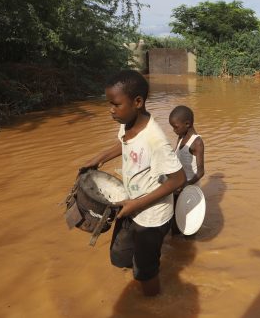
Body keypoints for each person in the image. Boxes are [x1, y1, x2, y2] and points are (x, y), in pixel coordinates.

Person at [81, 70, 186, 296]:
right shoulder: (127, 122)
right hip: (130, 204)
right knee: (119, 257)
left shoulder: (155, 139)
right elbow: (124, 143)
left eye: (115, 104)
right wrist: (98, 159)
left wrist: (136, 205)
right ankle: (140, 266)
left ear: (137, 102)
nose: (111, 110)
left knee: (145, 272)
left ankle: (152, 303)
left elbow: (179, 179)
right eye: (109, 103)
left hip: (152, 216)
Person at [168, 105, 205, 234]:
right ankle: (177, 245)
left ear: (187, 124)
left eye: (175, 127)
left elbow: (201, 172)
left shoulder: (197, 142)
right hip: (178, 185)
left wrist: (185, 184)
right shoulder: (181, 137)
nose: (173, 130)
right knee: (175, 220)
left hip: (189, 188)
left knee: (188, 223)